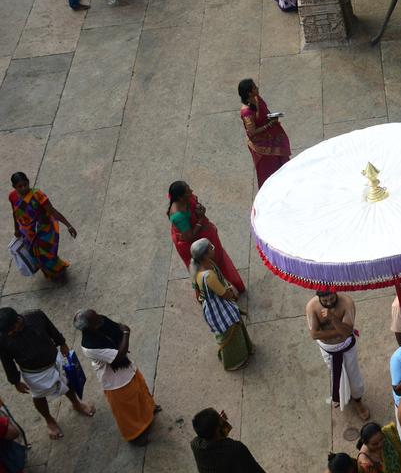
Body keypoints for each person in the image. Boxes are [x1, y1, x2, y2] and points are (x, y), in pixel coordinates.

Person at [0, 308, 93, 440]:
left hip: (54, 360)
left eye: (9, 330)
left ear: (16, 322)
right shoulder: (2, 337)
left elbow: (52, 330)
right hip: (33, 374)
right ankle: (49, 420)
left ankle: (76, 404)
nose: (8, 334)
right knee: (38, 396)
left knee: (67, 383)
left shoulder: (36, 316)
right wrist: (15, 381)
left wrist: (62, 343)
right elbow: (6, 361)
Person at [73, 309, 157, 445]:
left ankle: (148, 412)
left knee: (140, 392)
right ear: (88, 328)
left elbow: (115, 328)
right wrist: (126, 333)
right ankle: (135, 436)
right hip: (116, 381)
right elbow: (119, 356)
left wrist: (120, 332)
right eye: (96, 321)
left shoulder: (100, 322)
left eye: (98, 317)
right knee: (127, 411)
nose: (100, 320)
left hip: (128, 370)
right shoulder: (90, 347)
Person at [167, 181, 246, 293]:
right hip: (194, 243)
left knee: (218, 259)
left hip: (203, 236)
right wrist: (200, 219)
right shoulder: (179, 217)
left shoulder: (185, 199)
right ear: (180, 197)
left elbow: (196, 202)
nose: (191, 191)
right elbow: (189, 237)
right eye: (188, 191)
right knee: (209, 266)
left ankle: (229, 284)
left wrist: (200, 208)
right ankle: (220, 290)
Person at [306, 290, 368, 420]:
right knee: (337, 375)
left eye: (331, 299)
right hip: (327, 348)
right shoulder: (312, 307)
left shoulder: (347, 303)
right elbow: (314, 334)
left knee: (353, 376)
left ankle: (358, 401)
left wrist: (333, 318)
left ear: (335, 293)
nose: (329, 302)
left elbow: (347, 331)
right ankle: (340, 395)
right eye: (325, 301)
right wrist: (339, 331)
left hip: (346, 346)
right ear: (318, 297)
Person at [191, 246, 252, 371]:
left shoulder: (198, 268)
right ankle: (235, 362)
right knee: (231, 331)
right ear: (205, 255)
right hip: (220, 308)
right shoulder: (209, 276)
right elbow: (225, 294)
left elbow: (197, 293)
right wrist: (232, 293)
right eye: (210, 248)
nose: (213, 248)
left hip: (212, 307)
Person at [8, 172, 74, 282]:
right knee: (35, 254)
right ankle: (48, 272)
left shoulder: (37, 195)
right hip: (27, 232)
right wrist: (16, 229)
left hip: (43, 230)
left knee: (48, 254)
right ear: (14, 187)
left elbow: (52, 210)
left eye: (25, 184)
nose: (24, 188)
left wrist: (68, 225)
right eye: (20, 186)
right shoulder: (12, 196)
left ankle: (57, 270)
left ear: (28, 182)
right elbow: (15, 213)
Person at [237, 79, 291, 188]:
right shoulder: (246, 112)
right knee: (270, 171)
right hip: (262, 146)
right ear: (249, 92)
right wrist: (269, 125)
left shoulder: (256, 98)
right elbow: (252, 132)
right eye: (254, 87)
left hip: (272, 137)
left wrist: (272, 117)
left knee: (282, 163)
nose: (257, 88)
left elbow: (265, 112)